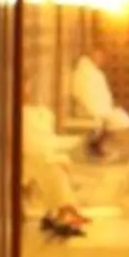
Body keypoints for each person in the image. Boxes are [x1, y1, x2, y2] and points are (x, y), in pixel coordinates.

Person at [21, 100, 89, 238]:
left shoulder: (32, 113)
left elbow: (40, 142)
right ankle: (64, 211)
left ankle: (61, 211)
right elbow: (31, 144)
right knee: (52, 167)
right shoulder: (19, 114)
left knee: (54, 165)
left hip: (34, 154)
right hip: (24, 156)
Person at [68, 46, 129, 156]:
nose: (101, 60)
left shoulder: (94, 72)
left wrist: (106, 107)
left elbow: (99, 93)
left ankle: (97, 145)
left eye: (102, 57)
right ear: (92, 56)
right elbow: (83, 93)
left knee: (119, 119)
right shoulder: (85, 72)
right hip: (87, 109)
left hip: (99, 107)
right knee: (114, 120)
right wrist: (96, 110)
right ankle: (95, 146)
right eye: (98, 56)